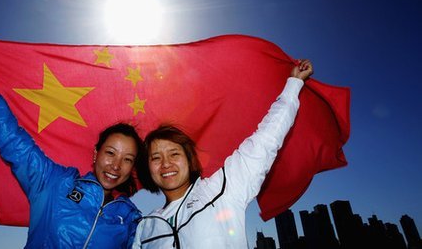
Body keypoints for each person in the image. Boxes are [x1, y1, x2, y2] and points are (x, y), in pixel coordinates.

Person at [0, 43, 143, 249]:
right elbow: (12, 140)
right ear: (96, 154)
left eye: (127, 159)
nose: (116, 165)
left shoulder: (130, 219)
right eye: (110, 153)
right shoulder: (54, 182)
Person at [133, 60, 313, 248]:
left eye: (174, 154)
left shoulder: (221, 189)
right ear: (148, 168)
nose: (165, 163)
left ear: (189, 160)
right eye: (155, 157)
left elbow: (266, 140)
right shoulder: (145, 228)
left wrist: (293, 84)